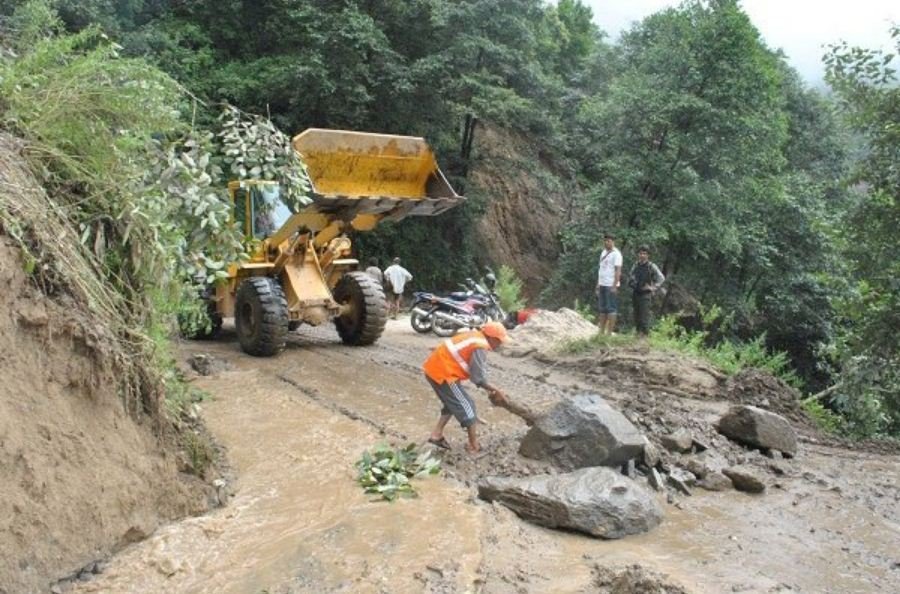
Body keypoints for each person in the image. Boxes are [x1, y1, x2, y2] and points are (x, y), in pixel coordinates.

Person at [422, 322, 510, 453]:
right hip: (444, 374)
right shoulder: (480, 345)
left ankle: (436, 435)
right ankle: (473, 445)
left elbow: (477, 373)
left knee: (452, 403)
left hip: (435, 369)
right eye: (499, 341)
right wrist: (496, 390)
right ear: (492, 338)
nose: (500, 344)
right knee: (467, 405)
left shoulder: (474, 336)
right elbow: (478, 377)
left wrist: (491, 388)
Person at [627, 245, 665, 336]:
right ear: (638, 254)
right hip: (636, 292)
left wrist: (653, 287)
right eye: (640, 253)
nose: (642, 255)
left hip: (646, 295)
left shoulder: (651, 266)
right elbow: (630, 276)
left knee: (644, 317)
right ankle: (638, 335)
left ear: (648, 255)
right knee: (636, 316)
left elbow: (661, 278)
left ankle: (645, 337)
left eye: (644, 254)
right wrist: (632, 282)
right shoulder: (636, 265)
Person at [594, 233, 623, 335]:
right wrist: (598, 284)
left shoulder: (617, 254)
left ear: (613, 242)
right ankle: (601, 331)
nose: (607, 243)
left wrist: (614, 286)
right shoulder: (603, 252)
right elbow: (601, 269)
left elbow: (618, 271)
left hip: (610, 284)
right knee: (602, 308)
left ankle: (609, 332)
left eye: (609, 241)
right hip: (602, 283)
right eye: (605, 241)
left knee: (611, 309)